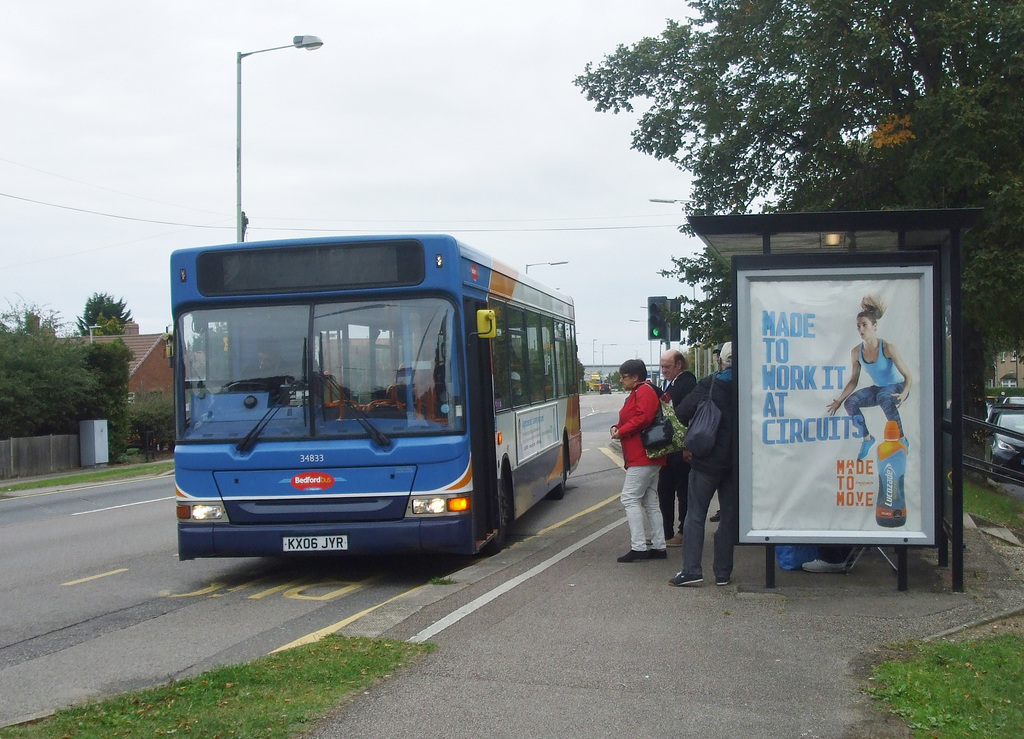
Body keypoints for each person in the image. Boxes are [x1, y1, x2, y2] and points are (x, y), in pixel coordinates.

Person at [670, 342, 736, 587]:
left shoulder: (710, 383)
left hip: (707, 460)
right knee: (729, 516)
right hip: (736, 462)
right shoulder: (749, 383)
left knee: (695, 514)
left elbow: (682, 411)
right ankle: (723, 573)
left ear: (721, 361)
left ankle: (691, 570)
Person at [826, 294, 913, 460]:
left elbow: (908, 377)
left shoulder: (888, 348)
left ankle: (902, 439)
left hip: (898, 387)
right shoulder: (856, 352)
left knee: (883, 397)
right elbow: (853, 381)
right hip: (880, 388)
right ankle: (867, 438)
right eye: (858, 326)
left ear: (875, 326)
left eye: (864, 325)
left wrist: (904, 393)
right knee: (851, 403)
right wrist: (840, 400)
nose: (861, 330)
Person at [610, 358, 668, 562]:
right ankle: (659, 546)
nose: (621, 380)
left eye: (624, 377)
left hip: (641, 454)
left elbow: (643, 417)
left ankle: (639, 547)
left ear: (635, 377)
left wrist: (622, 430)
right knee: (649, 501)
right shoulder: (640, 391)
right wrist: (617, 426)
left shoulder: (643, 391)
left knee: (629, 498)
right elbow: (633, 417)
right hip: (647, 455)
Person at [657, 349, 697, 546]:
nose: (664, 370)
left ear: (679, 365)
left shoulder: (687, 382)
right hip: (670, 445)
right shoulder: (671, 383)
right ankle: (665, 532)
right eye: (662, 366)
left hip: (681, 445)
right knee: (665, 488)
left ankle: (683, 532)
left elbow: (689, 414)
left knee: (682, 489)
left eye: (668, 366)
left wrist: (688, 446)